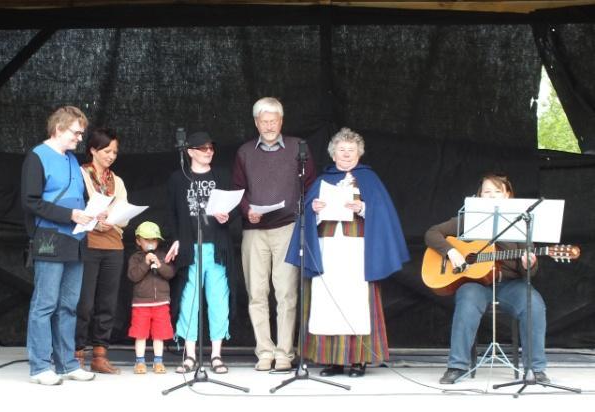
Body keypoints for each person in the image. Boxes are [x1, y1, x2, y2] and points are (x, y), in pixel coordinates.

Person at [286, 127, 409, 377]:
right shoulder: (322, 181)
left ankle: (358, 360)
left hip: (357, 250)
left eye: (351, 150)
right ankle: (332, 361)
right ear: (333, 154)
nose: (346, 154)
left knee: (355, 302)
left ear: (359, 154)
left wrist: (363, 207)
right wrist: (315, 210)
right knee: (328, 302)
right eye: (342, 150)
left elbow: (383, 214)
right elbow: (306, 217)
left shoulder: (369, 179)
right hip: (328, 249)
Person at [424, 173, 550, 384]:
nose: (491, 196)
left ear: (507, 195)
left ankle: (535, 368)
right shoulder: (470, 219)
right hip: (476, 283)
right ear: (479, 195)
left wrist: (530, 264)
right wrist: (451, 252)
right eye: (487, 192)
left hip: (510, 284)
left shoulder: (522, 223)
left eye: (497, 191)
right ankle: (457, 366)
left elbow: (529, 273)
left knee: (534, 305)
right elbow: (432, 233)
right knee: (467, 301)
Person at [232, 97, 316, 371]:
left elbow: (310, 185)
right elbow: (238, 189)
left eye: (273, 120)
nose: (268, 126)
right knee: (256, 293)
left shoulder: (298, 147)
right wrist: (247, 211)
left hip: (288, 227)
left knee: (286, 293)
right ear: (256, 122)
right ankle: (264, 352)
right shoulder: (245, 151)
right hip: (254, 231)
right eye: (263, 121)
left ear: (281, 121)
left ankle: (284, 354)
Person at [20, 106, 96, 385]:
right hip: (50, 238)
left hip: (76, 238)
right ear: (59, 129)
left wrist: (91, 214)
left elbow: (78, 198)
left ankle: (67, 364)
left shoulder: (72, 160)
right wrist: (71, 215)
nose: (79, 138)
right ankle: (40, 367)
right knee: (45, 304)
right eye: (76, 132)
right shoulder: (37, 157)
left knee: (69, 305)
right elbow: (30, 201)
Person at [164, 131, 236, 374]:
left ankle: (216, 355)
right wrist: (176, 239)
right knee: (189, 300)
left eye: (211, 148)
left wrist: (227, 216)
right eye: (203, 148)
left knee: (218, 299)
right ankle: (190, 354)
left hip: (216, 246)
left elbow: (233, 209)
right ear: (190, 151)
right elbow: (171, 213)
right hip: (190, 246)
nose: (209, 152)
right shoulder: (178, 178)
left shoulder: (222, 176)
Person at [74, 128, 127, 374]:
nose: (111, 156)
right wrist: (96, 218)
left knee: (107, 302)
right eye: (106, 151)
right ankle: (76, 353)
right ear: (93, 150)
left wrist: (112, 219)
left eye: (114, 152)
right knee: (84, 303)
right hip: (88, 243)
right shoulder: (80, 174)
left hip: (113, 245)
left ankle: (99, 355)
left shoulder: (117, 181)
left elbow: (124, 216)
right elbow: (75, 206)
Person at [126, 221, 176, 374]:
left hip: (161, 302)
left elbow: (170, 273)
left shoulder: (162, 255)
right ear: (138, 241)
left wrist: (159, 265)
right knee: (140, 333)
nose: (150, 243)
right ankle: (140, 362)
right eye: (146, 239)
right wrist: (146, 263)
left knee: (159, 334)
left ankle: (158, 361)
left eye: (153, 240)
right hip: (141, 303)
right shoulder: (136, 258)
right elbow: (133, 276)